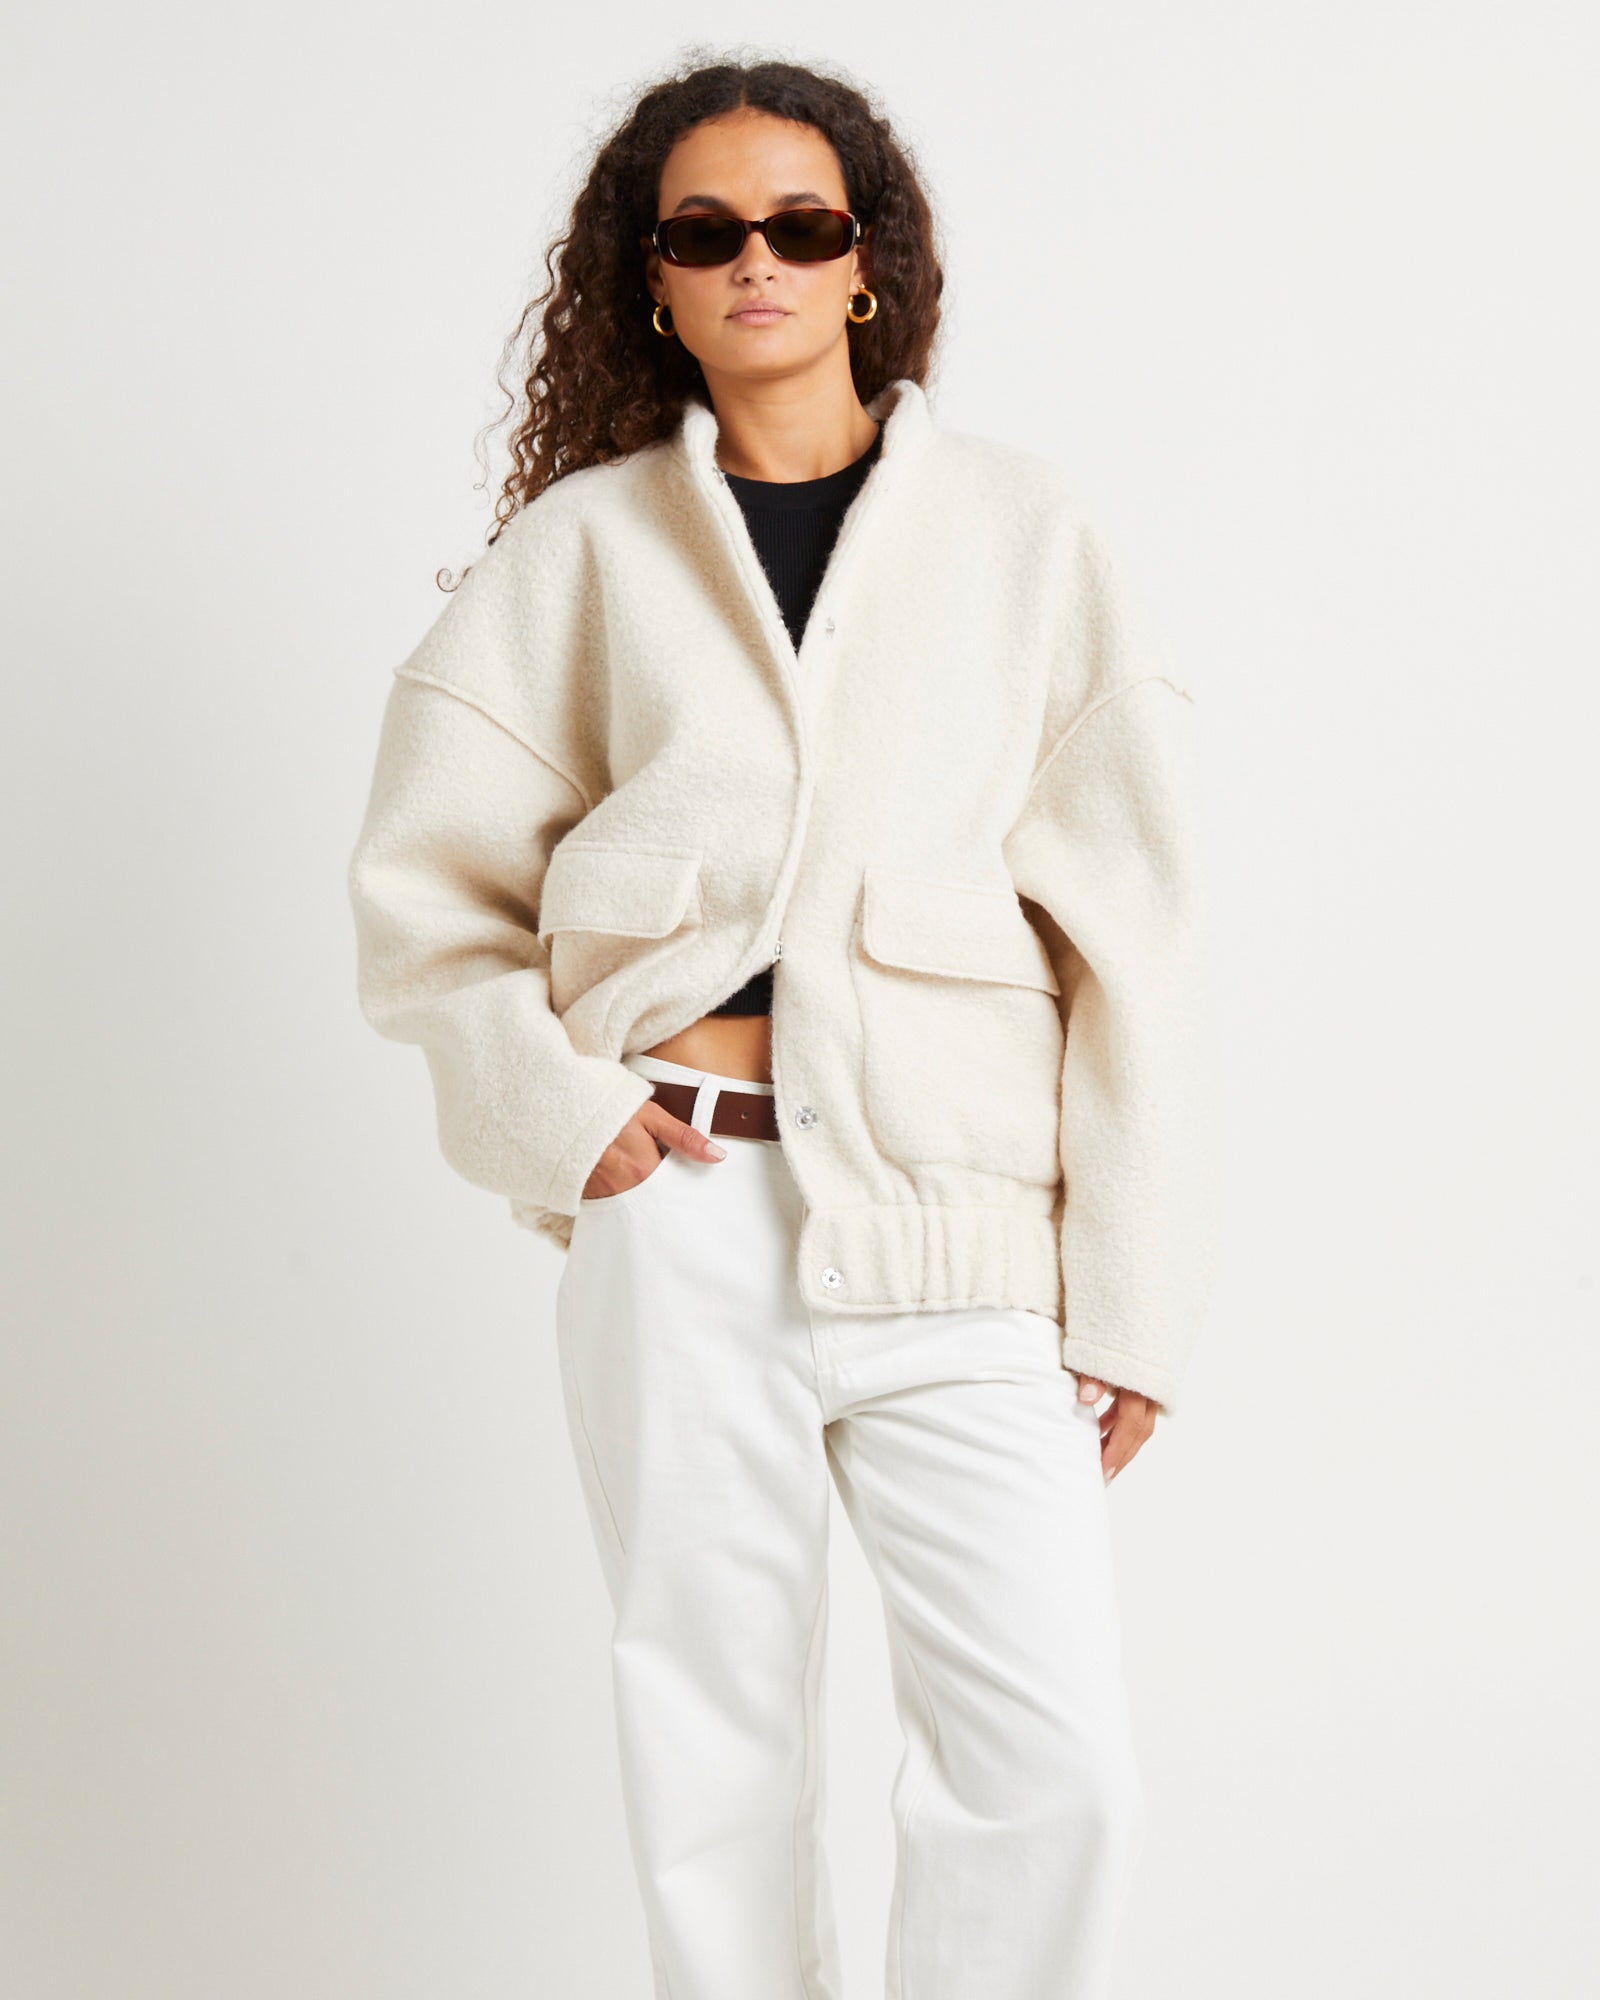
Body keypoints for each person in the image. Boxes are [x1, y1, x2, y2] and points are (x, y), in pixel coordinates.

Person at [346, 52, 1219, 2000]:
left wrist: (1132, 1293)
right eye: (706, 232)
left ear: (865, 266)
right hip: (676, 1210)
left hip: (959, 1226)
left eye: (801, 226)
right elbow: (423, 894)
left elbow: (1135, 942)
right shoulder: (579, 555)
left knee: (1053, 1767)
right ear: (651, 283)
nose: (758, 259)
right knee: (714, 1757)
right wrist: (559, 1114)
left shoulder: (1026, 539)